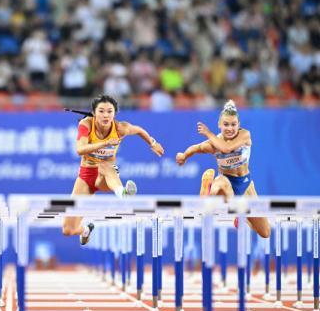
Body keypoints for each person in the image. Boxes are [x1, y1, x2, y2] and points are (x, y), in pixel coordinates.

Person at [63, 95, 165, 244]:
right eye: (101, 111)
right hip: (86, 176)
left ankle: (122, 193)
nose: (106, 115)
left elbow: (139, 130)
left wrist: (153, 143)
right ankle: (86, 230)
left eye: (109, 111)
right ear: (94, 112)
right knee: (68, 230)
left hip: (107, 177)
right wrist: (104, 143)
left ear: (114, 114)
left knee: (105, 165)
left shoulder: (120, 128)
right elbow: (80, 149)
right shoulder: (86, 124)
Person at [175, 100, 271, 238]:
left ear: (239, 125)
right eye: (226, 124)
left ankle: (242, 217)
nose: (230, 128)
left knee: (265, 232)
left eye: (233, 124)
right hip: (225, 181)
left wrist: (208, 133)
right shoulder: (213, 144)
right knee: (220, 185)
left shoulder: (245, 135)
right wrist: (184, 155)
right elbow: (196, 148)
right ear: (219, 125)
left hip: (245, 184)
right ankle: (207, 189)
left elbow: (226, 148)